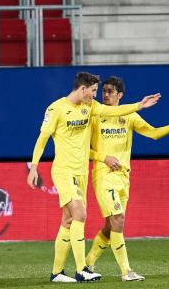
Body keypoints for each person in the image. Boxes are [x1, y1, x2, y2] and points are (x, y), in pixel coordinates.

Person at [27, 72, 161, 283]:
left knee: (69, 220)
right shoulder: (56, 109)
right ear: (82, 89)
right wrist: (34, 167)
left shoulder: (90, 107)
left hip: (81, 173)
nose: (95, 95)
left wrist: (139, 106)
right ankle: (82, 269)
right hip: (64, 170)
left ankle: (57, 273)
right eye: (93, 91)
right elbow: (42, 139)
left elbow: (113, 110)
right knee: (80, 213)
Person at [85, 76, 169, 281]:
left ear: (120, 95)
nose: (105, 95)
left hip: (123, 177)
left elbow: (153, 134)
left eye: (110, 91)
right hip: (103, 174)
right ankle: (126, 271)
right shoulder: (95, 114)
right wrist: (104, 158)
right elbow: (83, 149)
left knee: (110, 227)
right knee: (118, 219)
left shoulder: (130, 116)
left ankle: (88, 264)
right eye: (104, 91)